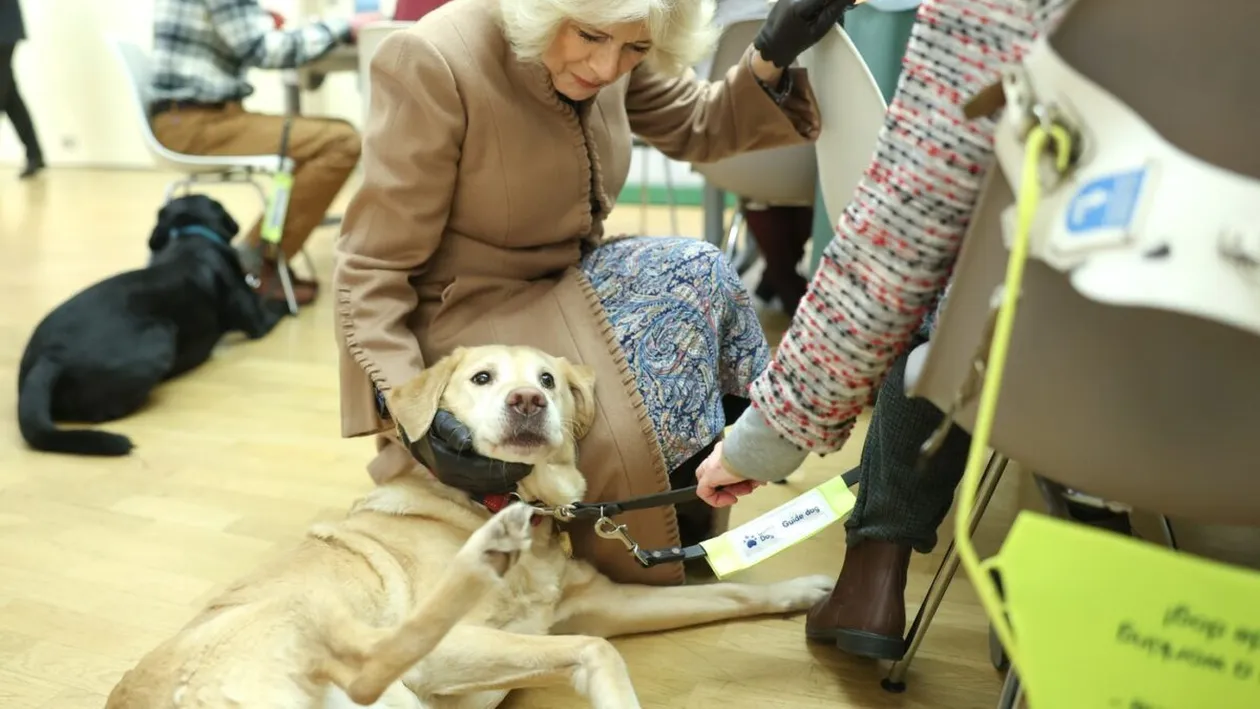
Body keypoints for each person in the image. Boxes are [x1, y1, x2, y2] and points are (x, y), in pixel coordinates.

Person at [333, 0, 854, 587]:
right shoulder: (433, 58)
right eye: (590, 38)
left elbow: (697, 123)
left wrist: (769, 54)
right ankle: (628, 540)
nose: (609, 68)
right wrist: (413, 415)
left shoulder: (620, 33)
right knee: (669, 305)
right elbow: (371, 265)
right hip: (472, 317)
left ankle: (682, 513)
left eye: (633, 51)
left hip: (566, 282)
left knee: (697, 269)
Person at [696, 0, 1078, 660]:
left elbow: (901, 233)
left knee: (946, 267)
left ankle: (875, 568)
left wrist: (766, 435)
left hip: (1039, 339)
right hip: (1215, 385)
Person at [147, 0, 383, 306]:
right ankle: (255, 265)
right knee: (340, 141)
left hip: (194, 116)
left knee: (334, 134)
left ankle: (263, 257)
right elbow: (267, 51)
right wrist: (345, 26)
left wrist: (261, 20)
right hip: (197, 122)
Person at [0, 0, 44, 179]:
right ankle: (34, 154)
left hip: (4, 30)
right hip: (6, 30)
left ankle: (35, 154)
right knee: (10, 97)